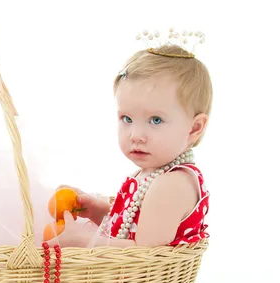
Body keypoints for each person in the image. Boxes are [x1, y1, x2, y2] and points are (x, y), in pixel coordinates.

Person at [49, 30, 212, 248]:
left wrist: (84, 241)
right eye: (127, 118)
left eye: (155, 120)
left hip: (149, 282)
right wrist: (100, 212)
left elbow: (144, 252)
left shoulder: (173, 183)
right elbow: (132, 227)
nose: (136, 135)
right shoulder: (154, 172)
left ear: (194, 128)